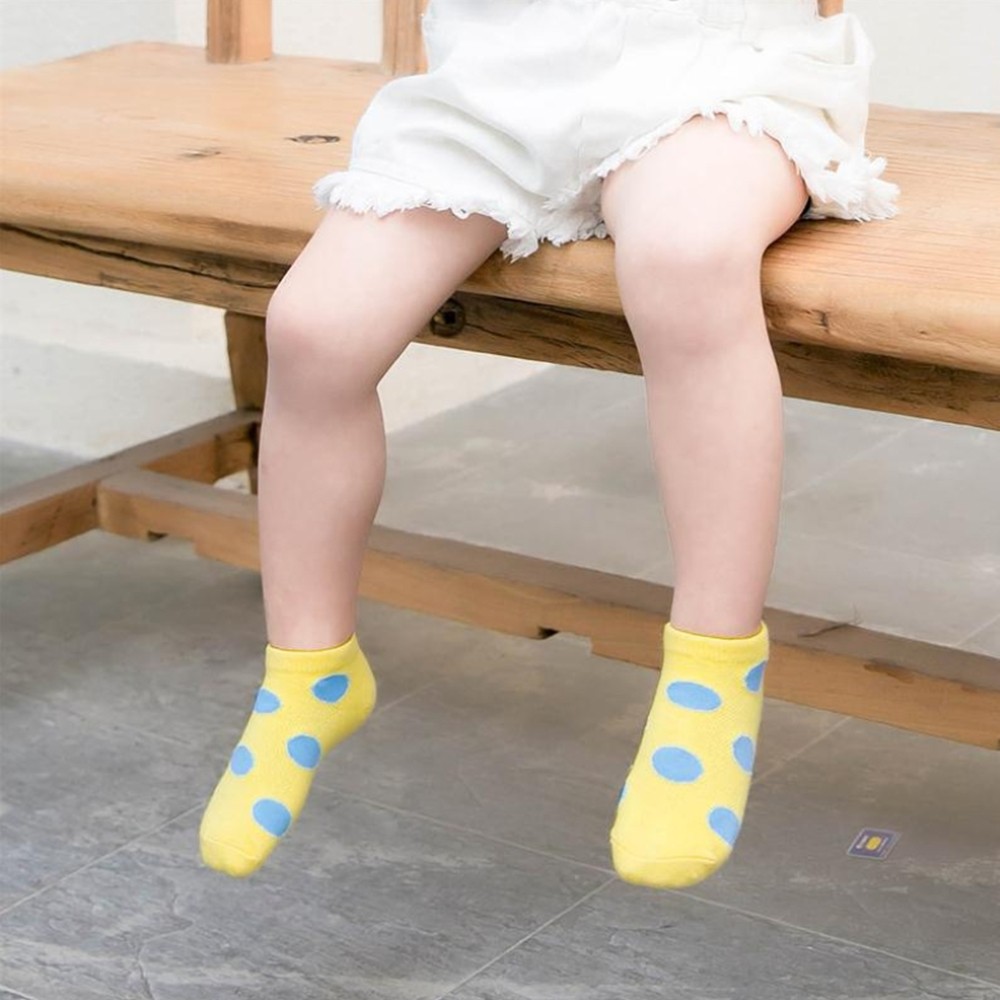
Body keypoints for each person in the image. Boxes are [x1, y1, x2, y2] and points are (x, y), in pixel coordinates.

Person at [198, 0, 899, 888]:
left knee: (686, 257)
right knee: (314, 328)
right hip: (501, 77)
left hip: (712, 65)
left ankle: (712, 672)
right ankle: (309, 670)